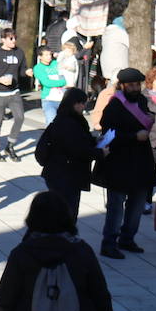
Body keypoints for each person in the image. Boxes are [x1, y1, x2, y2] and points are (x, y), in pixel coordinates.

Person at [97, 67, 156, 259]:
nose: (135, 88)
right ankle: (109, 243)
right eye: (131, 85)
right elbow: (108, 134)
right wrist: (133, 136)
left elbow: (145, 118)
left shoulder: (141, 101)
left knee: (137, 204)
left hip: (141, 162)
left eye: (137, 84)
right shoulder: (114, 106)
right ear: (122, 86)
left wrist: (151, 118)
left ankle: (127, 238)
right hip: (120, 163)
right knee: (116, 206)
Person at [35, 88, 96, 220]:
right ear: (74, 103)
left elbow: (81, 142)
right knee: (66, 212)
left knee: (63, 210)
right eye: (82, 103)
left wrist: (95, 141)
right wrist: (100, 152)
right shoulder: (69, 123)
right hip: (65, 175)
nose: (84, 107)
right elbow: (78, 149)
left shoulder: (67, 119)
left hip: (60, 174)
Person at [0, 29, 29, 161]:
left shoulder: (19, 52)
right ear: (3, 39)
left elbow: (22, 70)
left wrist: (27, 72)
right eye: (11, 38)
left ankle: (10, 145)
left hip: (13, 91)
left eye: (15, 38)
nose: (14, 41)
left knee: (20, 117)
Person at [33, 47, 68, 125]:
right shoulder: (38, 68)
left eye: (50, 54)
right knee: (51, 123)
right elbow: (47, 82)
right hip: (49, 100)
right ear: (40, 57)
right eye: (46, 55)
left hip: (63, 99)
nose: (49, 57)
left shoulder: (56, 63)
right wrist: (63, 82)